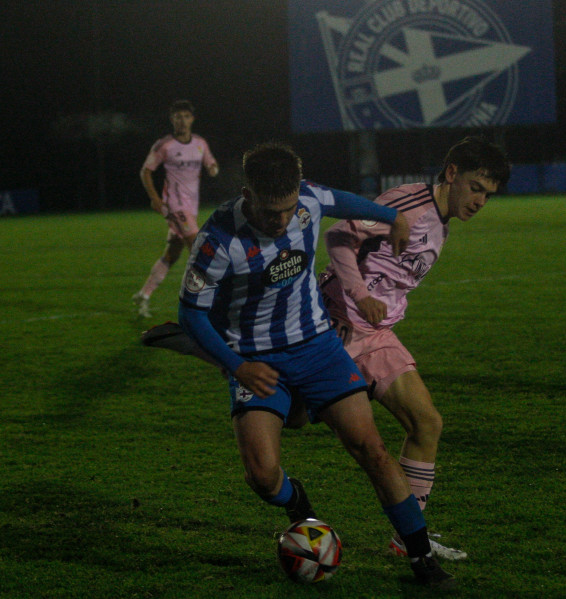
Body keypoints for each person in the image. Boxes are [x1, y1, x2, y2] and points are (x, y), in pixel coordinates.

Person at [177, 141, 455, 588]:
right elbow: (190, 313)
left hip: (318, 346)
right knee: (263, 476)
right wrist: (235, 364)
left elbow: (341, 199)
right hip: (256, 360)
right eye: (271, 213)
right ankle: (295, 500)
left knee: (372, 448)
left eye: (288, 210)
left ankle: (421, 557)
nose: (282, 220)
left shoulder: (307, 198)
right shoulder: (218, 240)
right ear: (247, 195)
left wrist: (392, 216)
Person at [318, 136, 510, 561]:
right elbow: (336, 234)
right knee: (289, 418)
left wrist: (378, 306)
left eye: (488, 195)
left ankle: (409, 539)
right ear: (452, 173)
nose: (480, 201)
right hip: (334, 325)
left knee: (427, 424)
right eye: (476, 187)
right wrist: (360, 293)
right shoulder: (409, 206)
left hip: (378, 335)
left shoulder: (441, 220)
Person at [132, 100, 219, 318]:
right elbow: (146, 171)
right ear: (172, 119)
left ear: (192, 119)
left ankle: (144, 294)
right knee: (199, 248)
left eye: (186, 116)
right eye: (178, 116)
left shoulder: (200, 143)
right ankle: (211, 303)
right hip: (175, 205)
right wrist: (155, 199)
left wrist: (213, 168)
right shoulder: (165, 145)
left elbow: (210, 163)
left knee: (172, 254)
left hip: (192, 206)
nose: (182, 120)